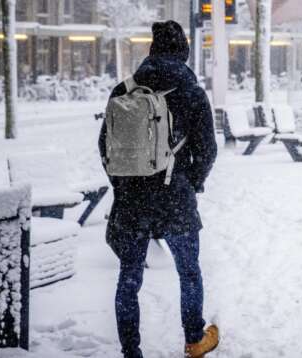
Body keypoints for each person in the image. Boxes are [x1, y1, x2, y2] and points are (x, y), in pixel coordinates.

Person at [98, 20, 219, 358]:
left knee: (129, 278)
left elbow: (104, 147)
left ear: (151, 51)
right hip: (175, 198)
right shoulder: (192, 93)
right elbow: (207, 149)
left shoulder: (124, 91)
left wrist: (124, 183)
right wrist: (192, 181)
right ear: (183, 52)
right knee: (189, 272)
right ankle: (195, 340)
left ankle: (130, 351)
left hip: (131, 202)